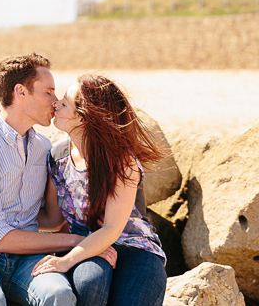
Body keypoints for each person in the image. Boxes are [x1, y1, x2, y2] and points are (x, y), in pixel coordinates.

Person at [0, 53, 114, 306]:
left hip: (27, 258)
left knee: (59, 295)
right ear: (20, 92)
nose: (56, 101)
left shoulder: (44, 148)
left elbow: (51, 219)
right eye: (48, 92)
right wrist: (81, 242)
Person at [32, 73, 167, 306]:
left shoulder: (121, 160)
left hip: (133, 248)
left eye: (64, 103)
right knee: (89, 284)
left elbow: (112, 229)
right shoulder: (57, 157)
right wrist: (5, 217)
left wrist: (64, 262)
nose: (56, 104)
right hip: (86, 247)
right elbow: (53, 219)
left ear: (84, 118)